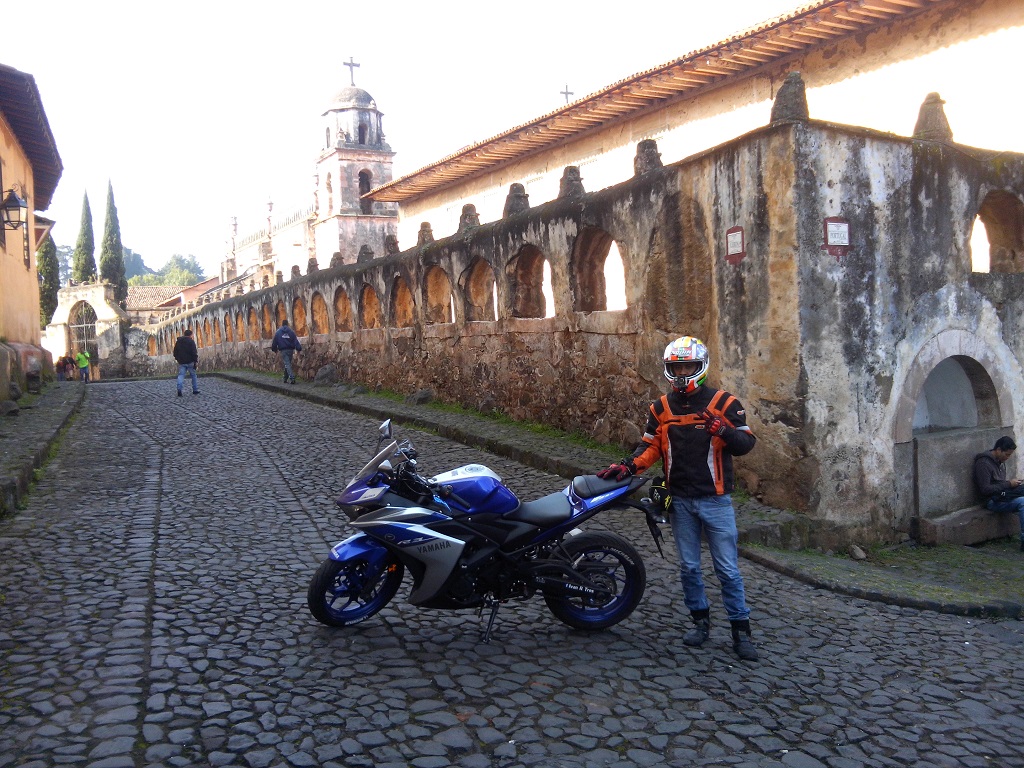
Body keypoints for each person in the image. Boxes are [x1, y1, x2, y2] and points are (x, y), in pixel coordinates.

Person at [597, 335, 759, 660]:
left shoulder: (724, 403)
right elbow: (651, 446)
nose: (682, 371)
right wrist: (627, 466)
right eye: (677, 366)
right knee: (688, 567)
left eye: (688, 365)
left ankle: (741, 631)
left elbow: (746, 444)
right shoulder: (660, 407)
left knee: (727, 568)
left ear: (700, 367)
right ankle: (700, 621)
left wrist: (723, 430)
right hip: (680, 500)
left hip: (715, 500)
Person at [973, 435, 1024, 553]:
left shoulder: (1000, 462)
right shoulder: (983, 463)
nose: (1008, 457)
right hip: (992, 501)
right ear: (998, 450)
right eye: (1007, 454)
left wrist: (1013, 485)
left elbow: (1000, 484)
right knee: (1023, 502)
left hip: (1003, 496)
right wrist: (1008, 484)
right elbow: (985, 489)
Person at [271, 319, 302, 384]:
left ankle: (292, 378)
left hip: (283, 350)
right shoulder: (291, 332)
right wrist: (298, 348)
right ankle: (285, 378)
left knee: (287, 364)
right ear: (287, 324)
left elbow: (275, 342)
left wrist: (274, 349)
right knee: (287, 364)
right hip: (290, 350)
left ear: (282, 324)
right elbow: (295, 341)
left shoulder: (278, 332)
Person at [172, 329, 200, 397]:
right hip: (190, 361)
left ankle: (179, 389)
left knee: (181, 375)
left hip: (182, 362)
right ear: (190, 335)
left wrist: (178, 359)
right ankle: (195, 389)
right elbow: (194, 352)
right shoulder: (191, 341)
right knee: (193, 375)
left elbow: (175, 352)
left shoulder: (178, 342)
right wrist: (195, 361)